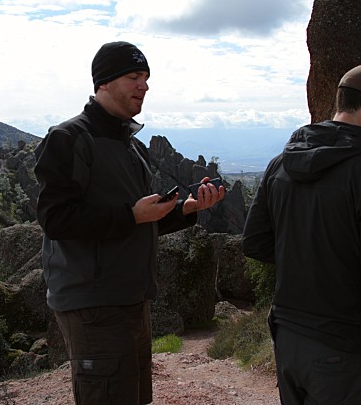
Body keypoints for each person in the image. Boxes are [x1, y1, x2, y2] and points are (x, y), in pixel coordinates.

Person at [36, 41, 225, 404]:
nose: (145, 86)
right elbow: (55, 219)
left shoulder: (131, 145)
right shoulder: (69, 138)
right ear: (104, 82)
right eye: (134, 77)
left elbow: (143, 218)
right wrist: (130, 214)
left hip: (131, 298)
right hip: (93, 303)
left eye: (146, 78)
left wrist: (185, 208)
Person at [244, 65, 361, 404]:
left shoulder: (281, 163)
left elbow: (255, 242)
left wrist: (306, 256)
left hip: (287, 339)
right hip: (340, 347)